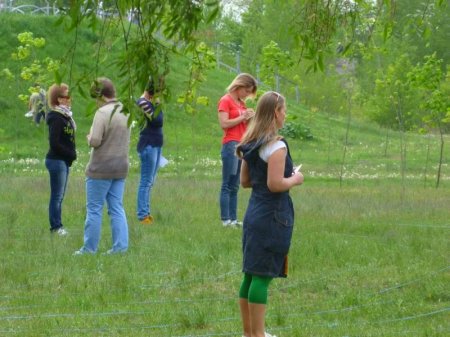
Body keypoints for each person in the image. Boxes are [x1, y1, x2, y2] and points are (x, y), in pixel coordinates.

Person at [235, 91, 304, 337]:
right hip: (273, 217)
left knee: (250, 275)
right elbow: (276, 184)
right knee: (262, 277)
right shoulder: (276, 145)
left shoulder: (251, 143)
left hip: (254, 213)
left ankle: (249, 333)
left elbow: (245, 181)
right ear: (276, 113)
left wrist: (269, 178)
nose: (285, 115)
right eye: (284, 110)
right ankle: (260, 334)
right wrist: (295, 178)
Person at [74, 77, 130, 255]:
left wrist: (89, 137)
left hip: (101, 168)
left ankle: (89, 249)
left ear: (100, 96)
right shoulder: (125, 110)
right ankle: (120, 247)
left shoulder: (102, 113)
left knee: (94, 209)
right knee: (116, 207)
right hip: (120, 166)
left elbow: (96, 141)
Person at [218, 73, 257, 227]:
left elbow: (245, 127)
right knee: (227, 183)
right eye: (246, 91)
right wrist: (242, 117)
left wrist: (250, 118)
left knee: (235, 184)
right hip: (230, 144)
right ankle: (225, 219)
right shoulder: (225, 100)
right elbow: (224, 123)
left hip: (241, 145)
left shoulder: (242, 104)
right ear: (239, 86)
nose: (247, 95)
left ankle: (233, 219)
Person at [45, 83, 77, 236]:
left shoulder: (66, 116)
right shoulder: (56, 118)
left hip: (63, 160)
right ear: (59, 99)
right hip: (57, 160)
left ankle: (58, 225)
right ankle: (56, 227)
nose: (69, 99)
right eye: (66, 97)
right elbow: (54, 143)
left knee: (60, 195)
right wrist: (70, 153)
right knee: (57, 196)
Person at [136, 77, 164, 225]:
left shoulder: (151, 103)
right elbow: (157, 120)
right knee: (146, 181)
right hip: (148, 145)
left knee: (150, 181)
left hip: (156, 144)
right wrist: (158, 104)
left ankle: (146, 212)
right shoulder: (142, 103)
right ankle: (142, 215)